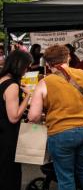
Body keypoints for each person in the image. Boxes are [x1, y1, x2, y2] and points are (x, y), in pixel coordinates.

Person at [28, 44, 83, 190]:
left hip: (62, 133)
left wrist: (46, 114)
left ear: (48, 63)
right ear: (68, 57)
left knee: (66, 176)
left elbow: (33, 117)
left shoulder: (44, 83)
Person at [0, 50, 33, 190]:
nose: (27, 69)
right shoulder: (12, 85)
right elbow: (13, 117)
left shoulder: (2, 79)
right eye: (27, 66)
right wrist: (28, 96)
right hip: (7, 136)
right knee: (9, 175)